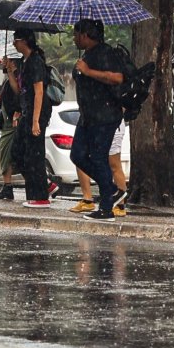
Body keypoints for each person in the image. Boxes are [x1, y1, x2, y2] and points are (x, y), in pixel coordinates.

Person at [69, 18, 127, 220]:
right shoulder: (87, 55)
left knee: (100, 157)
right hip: (88, 116)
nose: (74, 39)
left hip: (105, 115)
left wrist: (87, 72)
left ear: (85, 35)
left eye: (76, 34)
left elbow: (117, 78)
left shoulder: (105, 53)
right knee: (77, 154)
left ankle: (106, 208)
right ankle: (111, 189)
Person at [11, 29, 55, 208]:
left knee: (34, 154)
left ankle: (40, 196)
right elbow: (20, 90)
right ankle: (44, 185)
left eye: (16, 40)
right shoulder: (24, 62)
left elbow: (39, 92)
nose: (14, 44)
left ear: (25, 41)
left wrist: (36, 121)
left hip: (37, 113)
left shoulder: (36, 61)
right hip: (27, 112)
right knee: (18, 152)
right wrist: (10, 72)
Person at [0, 61, 21, 201]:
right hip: (7, 122)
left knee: (16, 155)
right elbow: (3, 102)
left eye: (5, 61)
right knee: (7, 155)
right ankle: (7, 187)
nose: (2, 63)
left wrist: (18, 112)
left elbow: (20, 96)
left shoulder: (18, 78)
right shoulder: (8, 81)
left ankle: (47, 184)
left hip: (12, 123)